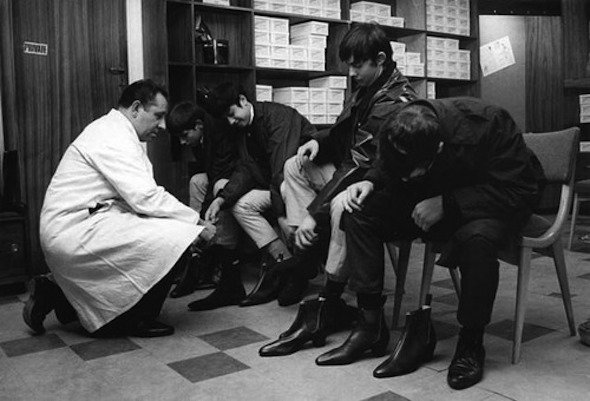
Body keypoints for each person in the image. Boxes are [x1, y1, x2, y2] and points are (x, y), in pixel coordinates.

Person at [316, 97, 545, 390]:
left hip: (486, 204)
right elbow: (387, 164)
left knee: (477, 241)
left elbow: (521, 190)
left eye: (411, 171)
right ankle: (370, 325)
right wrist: (371, 180)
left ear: (437, 148)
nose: (403, 176)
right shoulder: (398, 124)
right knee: (359, 213)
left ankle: (471, 342)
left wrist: (449, 203)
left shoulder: (491, 123)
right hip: (428, 196)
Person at [259, 23, 417, 357]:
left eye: (357, 65)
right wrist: (318, 142)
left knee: (341, 207)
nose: (351, 72)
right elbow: (345, 135)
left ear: (380, 59)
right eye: (349, 65)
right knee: (294, 165)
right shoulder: (368, 86)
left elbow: (360, 164)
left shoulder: (394, 102)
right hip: (356, 171)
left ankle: (327, 299)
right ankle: (307, 254)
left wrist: (314, 214)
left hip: (384, 186)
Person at [24, 79, 215, 338]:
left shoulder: (114, 130)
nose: (162, 126)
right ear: (135, 108)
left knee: (170, 229)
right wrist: (197, 223)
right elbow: (145, 196)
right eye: (157, 115)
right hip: (75, 230)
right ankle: (137, 319)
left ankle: (59, 294)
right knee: (178, 238)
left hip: (86, 222)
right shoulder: (113, 136)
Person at [187, 82, 318, 311]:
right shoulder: (244, 127)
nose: (231, 121)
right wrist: (222, 199)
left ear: (243, 101)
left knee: (282, 189)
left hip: (303, 183)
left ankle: (299, 270)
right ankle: (285, 263)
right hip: (275, 185)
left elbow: (281, 169)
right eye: (226, 118)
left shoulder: (279, 118)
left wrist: (280, 216)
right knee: (240, 205)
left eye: (232, 114)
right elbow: (246, 169)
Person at [166, 101, 239, 298]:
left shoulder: (220, 132)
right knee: (197, 181)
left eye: (184, 135)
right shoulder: (200, 138)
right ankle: (196, 252)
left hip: (239, 179)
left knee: (219, 186)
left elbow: (220, 174)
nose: (183, 142)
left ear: (198, 125)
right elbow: (209, 172)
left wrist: (204, 220)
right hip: (220, 175)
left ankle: (217, 260)